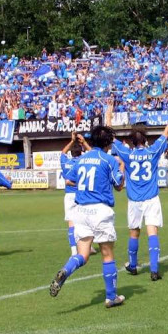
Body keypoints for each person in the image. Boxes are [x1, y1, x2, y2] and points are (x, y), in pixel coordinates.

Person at [49, 124, 126, 307]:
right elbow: (118, 185)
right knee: (107, 254)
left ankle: (66, 271)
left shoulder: (82, 159)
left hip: (81, 211)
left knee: (83, 254)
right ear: (108, 143)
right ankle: (111, 296)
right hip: (100, 209)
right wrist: (121, 170)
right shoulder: (109, 160)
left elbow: (69, 179)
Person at [112, 99, 168, 280]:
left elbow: (110, 138)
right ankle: (154, 270)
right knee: (152, 231)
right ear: (146, 141)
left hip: (134, 200)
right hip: (151, 198)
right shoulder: (153, 152)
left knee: (134, 232)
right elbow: (166, 132)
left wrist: (108, 116)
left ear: (132, 142)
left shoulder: (126, 153)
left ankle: (133, 266)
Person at [61, 132, 91, 255]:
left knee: (71, 223)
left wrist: (72, 141)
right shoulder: (84, 161)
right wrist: (83, 142)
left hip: (69, 196)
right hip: (82, 195)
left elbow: (63, 151)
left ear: (71, 153)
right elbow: (93, 152)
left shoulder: (65, 162)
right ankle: (87, 247)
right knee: (85, 222)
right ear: (81, 152)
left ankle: (74, 250)